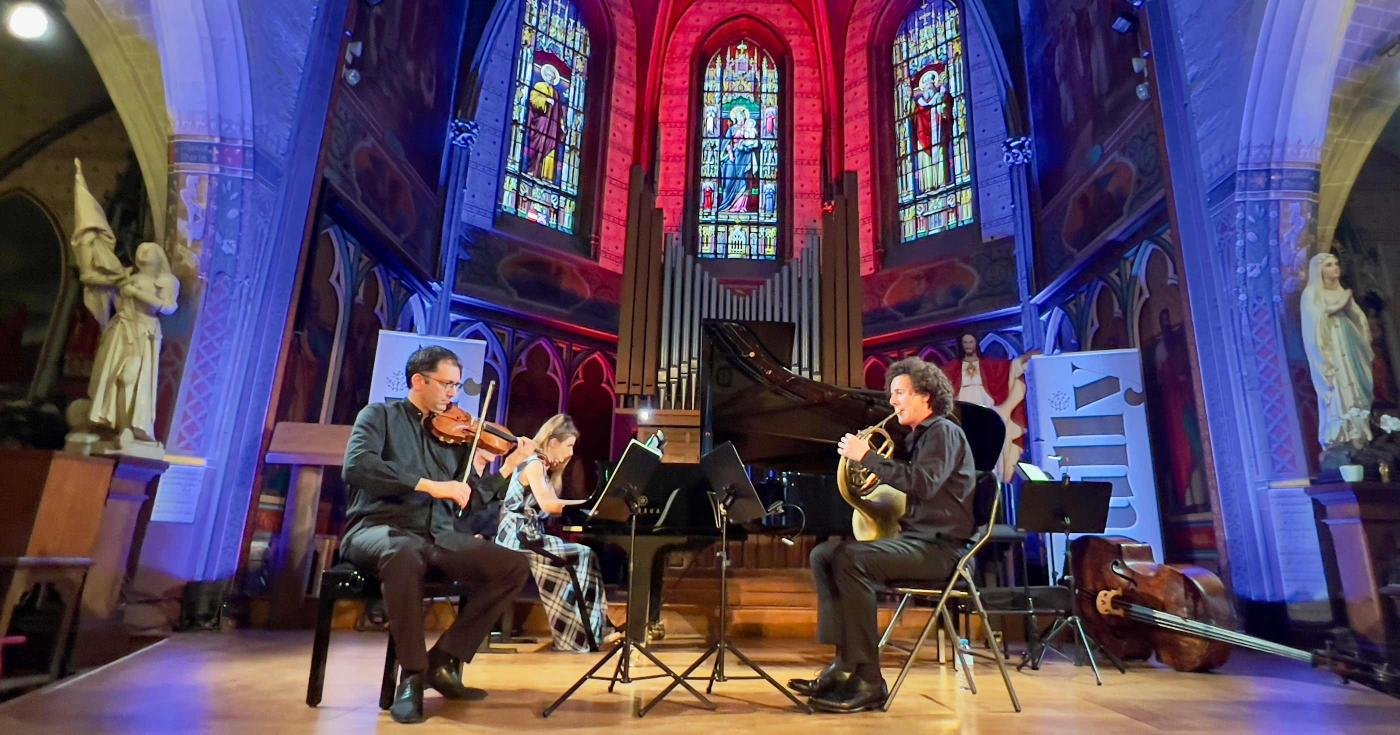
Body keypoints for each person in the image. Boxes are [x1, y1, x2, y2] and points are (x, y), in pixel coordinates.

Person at [340, 346, 532, 724]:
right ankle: (410, 677)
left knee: (512, 566)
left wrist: (507, 468)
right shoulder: (379, 416)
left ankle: (443, 661)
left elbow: (470, 499)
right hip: (378, 528)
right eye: (446, 384)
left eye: (457, 386)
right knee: (403, 553)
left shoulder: (455, 436)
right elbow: (358, 466)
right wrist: (429, 485)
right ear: (418, 381)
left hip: (438, 536)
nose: (452, 395)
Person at [790, 357, 976, 713]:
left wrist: (869, 458)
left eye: (899, 393)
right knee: (824, 555)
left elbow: (923, 483)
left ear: (926, 396)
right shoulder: (922, 438)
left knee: (850, 558)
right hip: (917, 543)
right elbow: (915, 481)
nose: (892, 401)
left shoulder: (944, 431)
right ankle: (844, 664)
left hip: (941, 551)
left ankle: (870, 680)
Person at [495, 414, 620, 651]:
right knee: (579, 556)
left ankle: (598, 628)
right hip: (518, 535)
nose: (571, 452)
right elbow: (549, 506)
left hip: (530, 534)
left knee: (587, 555)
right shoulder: (533, 463)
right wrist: (591, 502)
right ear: (553, 442)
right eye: (569, 445)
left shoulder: (545, 469)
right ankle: (577, 638)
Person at [86, 242, 178, 443]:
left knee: (130, 376)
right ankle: (119, 425)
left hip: (144, 331)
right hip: (121, 328)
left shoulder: (165, 280)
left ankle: (132, 426)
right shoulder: (130, 278)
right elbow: (117, 304)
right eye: (140, 248)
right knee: (112, 377)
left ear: (159, 256)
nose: (142, 250)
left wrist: (136, 292)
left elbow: (168, 308)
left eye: (149, 248)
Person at [1300, 251, 1375, 450]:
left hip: (1348, 343)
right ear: (1319, 270)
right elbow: (1313, 319)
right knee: (1338, 387)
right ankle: (1341, 434)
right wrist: (1337, 306)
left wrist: (1349, 307)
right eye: (1329, 265)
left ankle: (1360, 432)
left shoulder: (1342, 292)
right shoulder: (1311, 293)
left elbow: (1358, 318)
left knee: (1354, 383)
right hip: (1330, 349)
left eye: (1336, 263)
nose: (1335, 268)